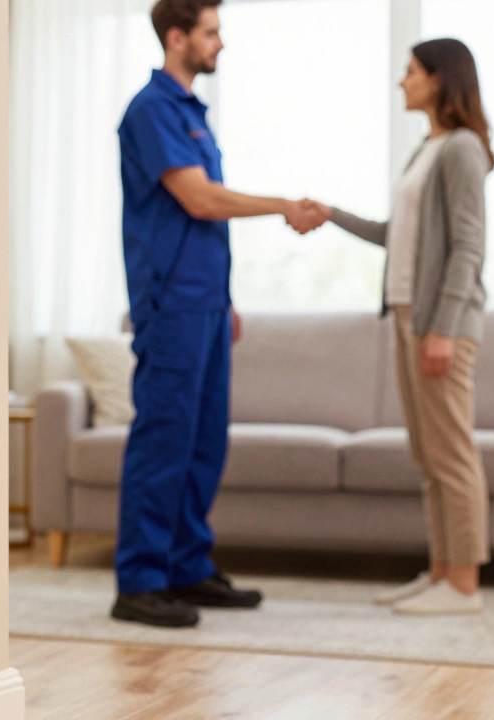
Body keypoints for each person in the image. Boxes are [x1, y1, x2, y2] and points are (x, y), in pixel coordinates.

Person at [112, 0, 323, 629]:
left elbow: (201, 226)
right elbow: (200, 202)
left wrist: (224, 298)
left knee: (203, 442)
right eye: (211, 32)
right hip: (170, 304)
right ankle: (140, 582)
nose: (219, 44)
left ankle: (186, 567)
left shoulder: (191, 115)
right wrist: (282, 204)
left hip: (204, 302)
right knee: (164, 439)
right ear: (177, 37)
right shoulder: (151, 111)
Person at [303, 38, 494, 615]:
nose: (401, 81)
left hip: (440, 321)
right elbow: (399, 235)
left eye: (410, 72)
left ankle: (464, 585)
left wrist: (443, 328)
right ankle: (440, 573)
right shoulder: (426, 150)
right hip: (409, 314)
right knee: (427, 453)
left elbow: (468, 246)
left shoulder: (462, 149)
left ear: (439, 79)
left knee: (451, 452)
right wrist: (331, 214)